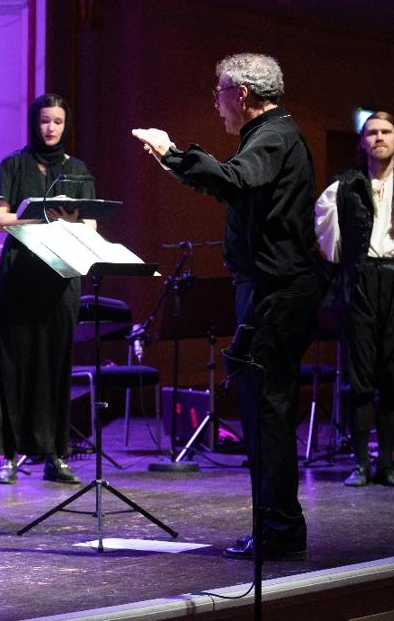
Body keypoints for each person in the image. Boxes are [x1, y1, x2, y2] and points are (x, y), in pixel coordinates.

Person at [132, 53, 321, 561]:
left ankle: (279, 530)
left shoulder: (275, 136)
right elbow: (233, 183)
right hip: (270, 288)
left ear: (240, 94)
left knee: (267, 412)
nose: (216, 106)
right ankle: (278, 527)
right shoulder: (271, 135)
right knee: (264, 411)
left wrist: (173, 152)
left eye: (219, 94)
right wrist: (174, 161)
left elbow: (234, 180)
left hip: (275, 291)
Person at [314, 111, 394, 489]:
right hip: (360, 282)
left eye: (386, 132)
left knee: (392, 377)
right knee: (359, 377)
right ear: (362, 142)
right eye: (372, 133)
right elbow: (325, 243)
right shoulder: (344, 186)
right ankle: (360, 464)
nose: (379, 138)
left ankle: (387, 463)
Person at [0, 93, 95, 485]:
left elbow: (91, 225)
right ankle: (10, 455)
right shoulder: (13, 164)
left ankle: (56, 454)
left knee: (57, 363)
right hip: (20, 275)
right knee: (15, 362)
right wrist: (41, 220)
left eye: (58, 122)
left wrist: (61, 224)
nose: (50, 128)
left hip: (61, 274)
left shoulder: (79, 169)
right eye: (44, 121)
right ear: (34, 122)